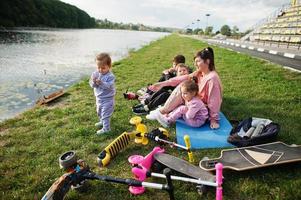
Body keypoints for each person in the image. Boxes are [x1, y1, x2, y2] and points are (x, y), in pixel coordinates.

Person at [146, 47, 222, 129]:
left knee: (184, 87)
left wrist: (213, 119)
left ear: (207, 61)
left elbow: (214, 101)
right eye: (195, 62)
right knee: (184, 85)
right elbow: (183, 78)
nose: (195, 64)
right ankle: (164, 111)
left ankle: (163, 112)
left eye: (198, 61)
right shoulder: (200, 72)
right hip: (193, 102)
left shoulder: (212, 78)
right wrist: (163, 83)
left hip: (200, 109)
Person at [89, 53, 116, 135]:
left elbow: (108, 86)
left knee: (105, 114)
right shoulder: (95, 74)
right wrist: (93, 82)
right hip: (99, 98)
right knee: (99, 112)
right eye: (98, 67)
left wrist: (101, 83)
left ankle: (106, 128)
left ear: (109, 66)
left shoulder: (110, 76)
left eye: (103, 68)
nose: (100, 70)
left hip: (108, 99)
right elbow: (91, 85)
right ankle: (102, 121)